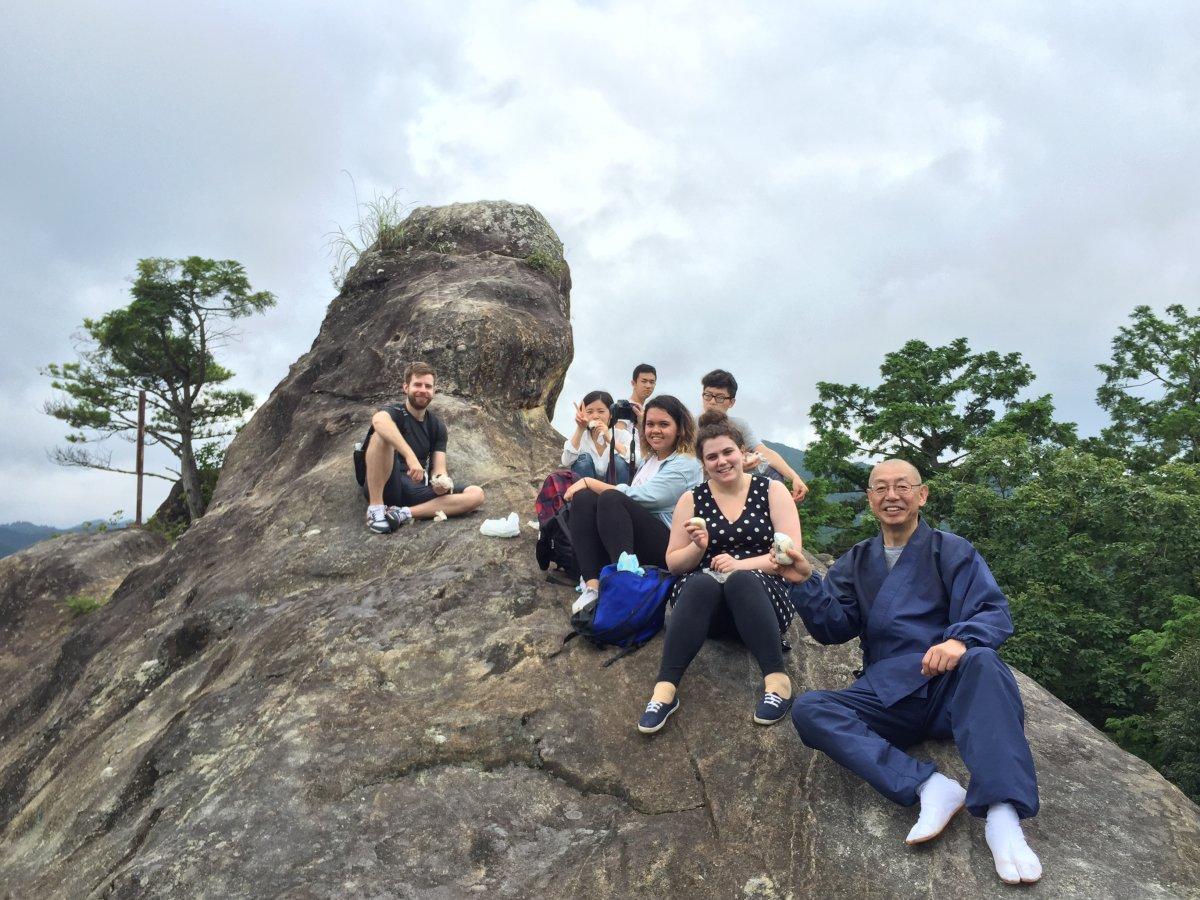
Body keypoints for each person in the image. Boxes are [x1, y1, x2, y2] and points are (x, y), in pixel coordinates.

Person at [784, 459, 1042, 885]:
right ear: (869, 499)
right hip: (890, 695)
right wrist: (805, 581)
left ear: (921, 495)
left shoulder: (952, 550)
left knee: (984, 661)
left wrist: (959, 641)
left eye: (902, 486)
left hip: (947, 690)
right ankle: (929, 786)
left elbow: (990, 609)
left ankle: (1002, 813)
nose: (892, 496)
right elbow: (833, 628)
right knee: (811, 709)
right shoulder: (857, 560)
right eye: (880, 488)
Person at [636, 418, 806, 734]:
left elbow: (789, 554)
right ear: (703, 463)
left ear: (743, 453)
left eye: (728, 452)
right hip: (706, 609)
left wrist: (740, 565)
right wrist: (698, 549)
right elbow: (674, 563)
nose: (722, 461)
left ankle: (777, 681)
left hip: (761, 601)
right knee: (700, 582)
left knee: (742, 581)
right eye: (712, 457)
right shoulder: (692, 499)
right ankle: (665, 689)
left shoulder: (772, 491)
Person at [564, 395, 701, 610]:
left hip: (668, 546)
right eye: (650, 424)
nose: (655, 430)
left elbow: (642, 498)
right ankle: (592, 586)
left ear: (680, 428)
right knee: (584, 498)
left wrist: (590, 481)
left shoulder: (686, 464)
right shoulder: (650, 459)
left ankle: (624, 584)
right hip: (635, 535)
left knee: (610, 497)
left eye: (664, 424)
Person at [358, 362, 486, 533]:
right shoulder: (395, 412)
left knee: (476, 494)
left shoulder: (436, 426)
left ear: (433, 391)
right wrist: (410, 457)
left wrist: (440, 483)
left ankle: (402, 514)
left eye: (428, 386)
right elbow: (379, 420)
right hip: (387, 484)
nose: (423, 390)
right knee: (380, 436)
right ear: (406, 387)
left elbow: (439, 469)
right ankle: (376, 510)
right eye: (417, 384)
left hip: (416, 490)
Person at [698, 369, 808, 502]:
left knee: (772, 471)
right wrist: (735, 467)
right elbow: (687, 468)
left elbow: (765, 453)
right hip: (700, 489)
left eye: (720, 398)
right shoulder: (689, 427)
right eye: (708, 395)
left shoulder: (738, 425)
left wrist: (795, 478)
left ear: (731, 402)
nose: (712, 402)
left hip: (734, 488)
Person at [562, 390, 630, 484]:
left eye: (601, 411)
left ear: (611, 414)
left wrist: (610, 439)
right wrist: (580, 429)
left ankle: (618, 498)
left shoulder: (622, 435)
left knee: (619, 461)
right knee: (583, 459)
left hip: (615, 493)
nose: (595, 416)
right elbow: (566, 461)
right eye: (589, 412)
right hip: (586, 492)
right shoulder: (580, 436)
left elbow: (637, 461)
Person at [615, 363, 657, 455]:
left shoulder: (647, 410)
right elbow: (618, 433)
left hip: (644, 459)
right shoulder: (625, 406)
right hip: (628, 459)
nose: (648, 385)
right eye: (644, 381)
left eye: (651, 382)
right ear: (633, 383)